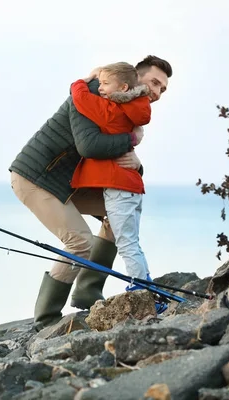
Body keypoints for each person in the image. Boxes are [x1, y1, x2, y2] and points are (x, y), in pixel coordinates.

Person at [8, 55, 172, 328]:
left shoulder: (127, 106)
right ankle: (46, 319)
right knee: (80, 242)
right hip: (36, 177)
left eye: (163, 89)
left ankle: (87, 290)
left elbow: (117, 160)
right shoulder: (98, 91)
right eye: (154, 83)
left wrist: (137, 164)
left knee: (117, 217)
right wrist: (131, 139)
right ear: (133, 79)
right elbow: (90, 146)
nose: (156, 92)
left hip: (71, 181)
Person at [68, 62, 154, 292]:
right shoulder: (134, 109)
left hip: (119, 187)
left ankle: (141, 289)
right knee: (131, 241)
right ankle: (147, 283)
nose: (101, 87)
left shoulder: (111, 112)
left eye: (106, 84)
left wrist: (83, 80)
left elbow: (81, 99)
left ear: (123, 88)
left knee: (126, 243)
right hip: (131, 187)